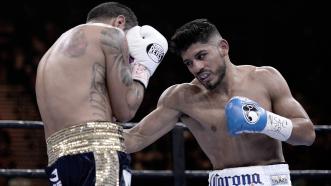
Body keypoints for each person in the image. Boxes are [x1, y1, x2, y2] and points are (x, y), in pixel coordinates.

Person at [123, 18, 316, 186]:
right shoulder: (182, 97)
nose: (197, 67)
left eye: (201, 56)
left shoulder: (266, 79)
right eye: (189, 62)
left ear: (223, 47)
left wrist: (264, 121)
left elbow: (307, 135)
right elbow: (135, 138)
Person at [35, 2, 168, 186]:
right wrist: (143, 67)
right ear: (120, 22)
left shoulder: (52, 52)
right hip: (99, 153)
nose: (128, 60)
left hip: (58, 161)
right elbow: (126, 110)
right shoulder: (112, 34)